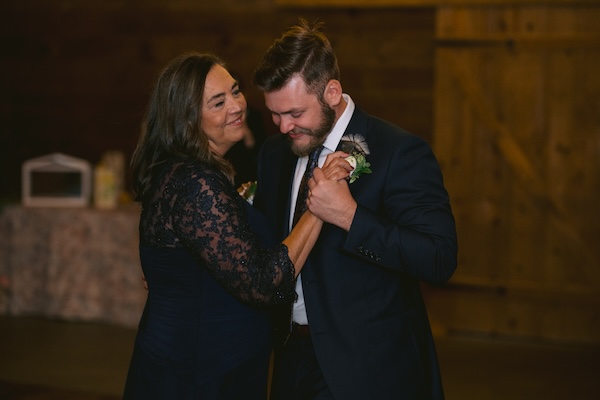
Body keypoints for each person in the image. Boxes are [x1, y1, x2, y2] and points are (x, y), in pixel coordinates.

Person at [123, 52, 350, 400]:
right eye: (218, 102)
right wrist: (319, 206)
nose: (237, 105)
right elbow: (263, 283)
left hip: (206, 364)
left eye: (235, 90)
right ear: (187, 120)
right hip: (199, 374)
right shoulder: (195, 183)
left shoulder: (187, 172)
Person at [252, 19, 458, 400]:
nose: (283, 127)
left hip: (371, 369)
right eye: (274, 114)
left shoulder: (398, 151)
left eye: (295, 113)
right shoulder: (273, 155)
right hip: (290, 360)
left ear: (332, 91)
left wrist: (350, 216)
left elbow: (438, 258)